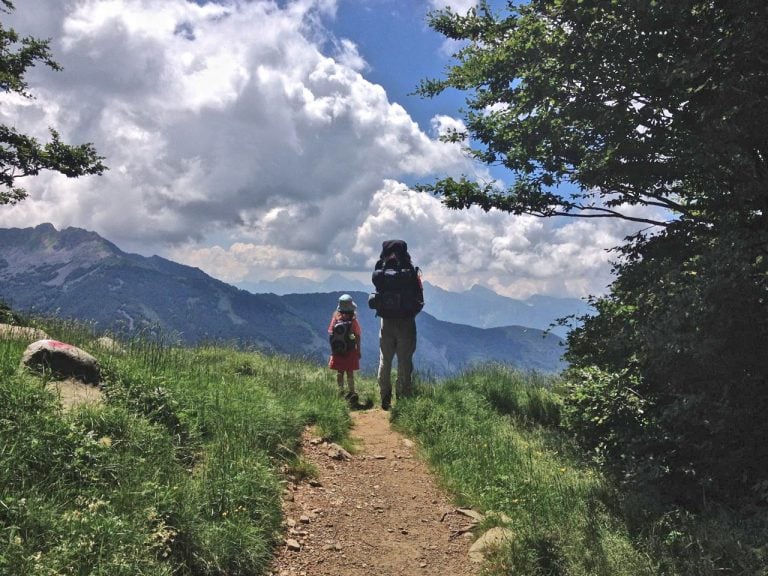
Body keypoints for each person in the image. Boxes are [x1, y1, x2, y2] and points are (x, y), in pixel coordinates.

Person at [369, 240, 424, 410]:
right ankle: (403, 397)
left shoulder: (381, 269)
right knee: (404, 361)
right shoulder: (409, 270)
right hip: (406, 322)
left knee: (385, 359)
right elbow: (420, 299)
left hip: (386, 321)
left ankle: (385, 397)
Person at [327, 294, 361, 403]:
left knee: (340, 372)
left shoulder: (335, 320)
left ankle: (340, 391)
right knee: (349, 372)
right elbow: (357, 336)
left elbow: (331, 333)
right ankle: (352, 392)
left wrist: (334, 349)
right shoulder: (353, 321)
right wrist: (358, 350)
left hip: (338, 350)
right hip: (350, 351)